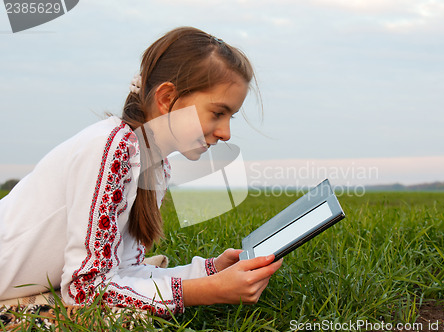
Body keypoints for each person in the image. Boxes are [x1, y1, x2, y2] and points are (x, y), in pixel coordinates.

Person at [0, 26, 282, 316]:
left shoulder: (153, 165)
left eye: (230, 116)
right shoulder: (111, 148)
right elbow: (86, 290)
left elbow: (124, 272)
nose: (226, 133)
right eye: (218, 113)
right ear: (166, 98)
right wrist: (209, 291)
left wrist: (210, 271)